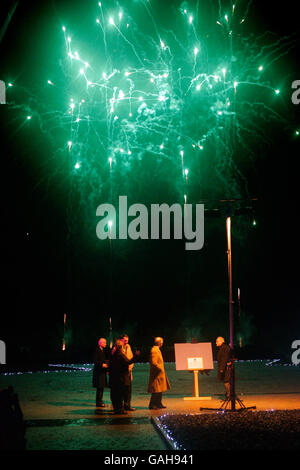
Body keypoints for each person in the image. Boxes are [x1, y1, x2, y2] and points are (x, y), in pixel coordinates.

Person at [109, 339, 140, 414]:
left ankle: (118, 409)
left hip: (115, 377)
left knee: (116, 394)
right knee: (120, 394)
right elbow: (128, 362)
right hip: (121, 377)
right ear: (121, 347)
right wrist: (136, 356)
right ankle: (119, 410)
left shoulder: (114, 354)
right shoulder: (120, 354)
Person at [148, 337, 170, 410]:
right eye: (162, 342)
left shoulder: (156, 349)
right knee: (156, 390)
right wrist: (160, 368)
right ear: (160, 343)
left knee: (159, 389)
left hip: (159, 373)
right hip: (156, 374)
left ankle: (158, 403)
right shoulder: (154, 350)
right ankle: (152, 404)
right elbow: (154, 363)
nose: (162, 343)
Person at [92, 338, 109, 407]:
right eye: (104, 342)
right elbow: (95, 361)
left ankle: (100, 401)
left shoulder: (103, 350)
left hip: (102, 372)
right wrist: (102, 365)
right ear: (100, 343)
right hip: (98, 372)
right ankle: (99, 402)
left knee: (101, 387)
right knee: (99, 387)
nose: (105, 344)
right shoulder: (97, 350)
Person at [120, 334, 135, 411]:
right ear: (121, 340)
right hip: (122, 373)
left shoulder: (128, 347)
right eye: (124, 340)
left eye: (127, 340)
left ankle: (128, 405)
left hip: (129, 372)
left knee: (128, 390)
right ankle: (121, 406)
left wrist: (130, 367)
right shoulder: (119, 348)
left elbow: (131, 358)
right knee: (122, 390)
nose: (126, 342)